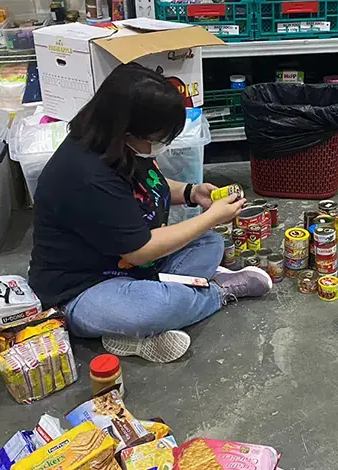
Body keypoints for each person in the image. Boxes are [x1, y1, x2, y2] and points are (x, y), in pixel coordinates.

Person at [28, 63, 272, 363]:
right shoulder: (87, 175)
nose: (161, 146)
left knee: (210, 243)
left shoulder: (115, 143)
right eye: (157, 137)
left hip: (137, 269)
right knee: (151, 309)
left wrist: (191, 192)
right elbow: (140, 251)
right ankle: (215, 293)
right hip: (83, 288)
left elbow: (146, 186)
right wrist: (211, 217)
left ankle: (138, 332)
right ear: (129, 130)